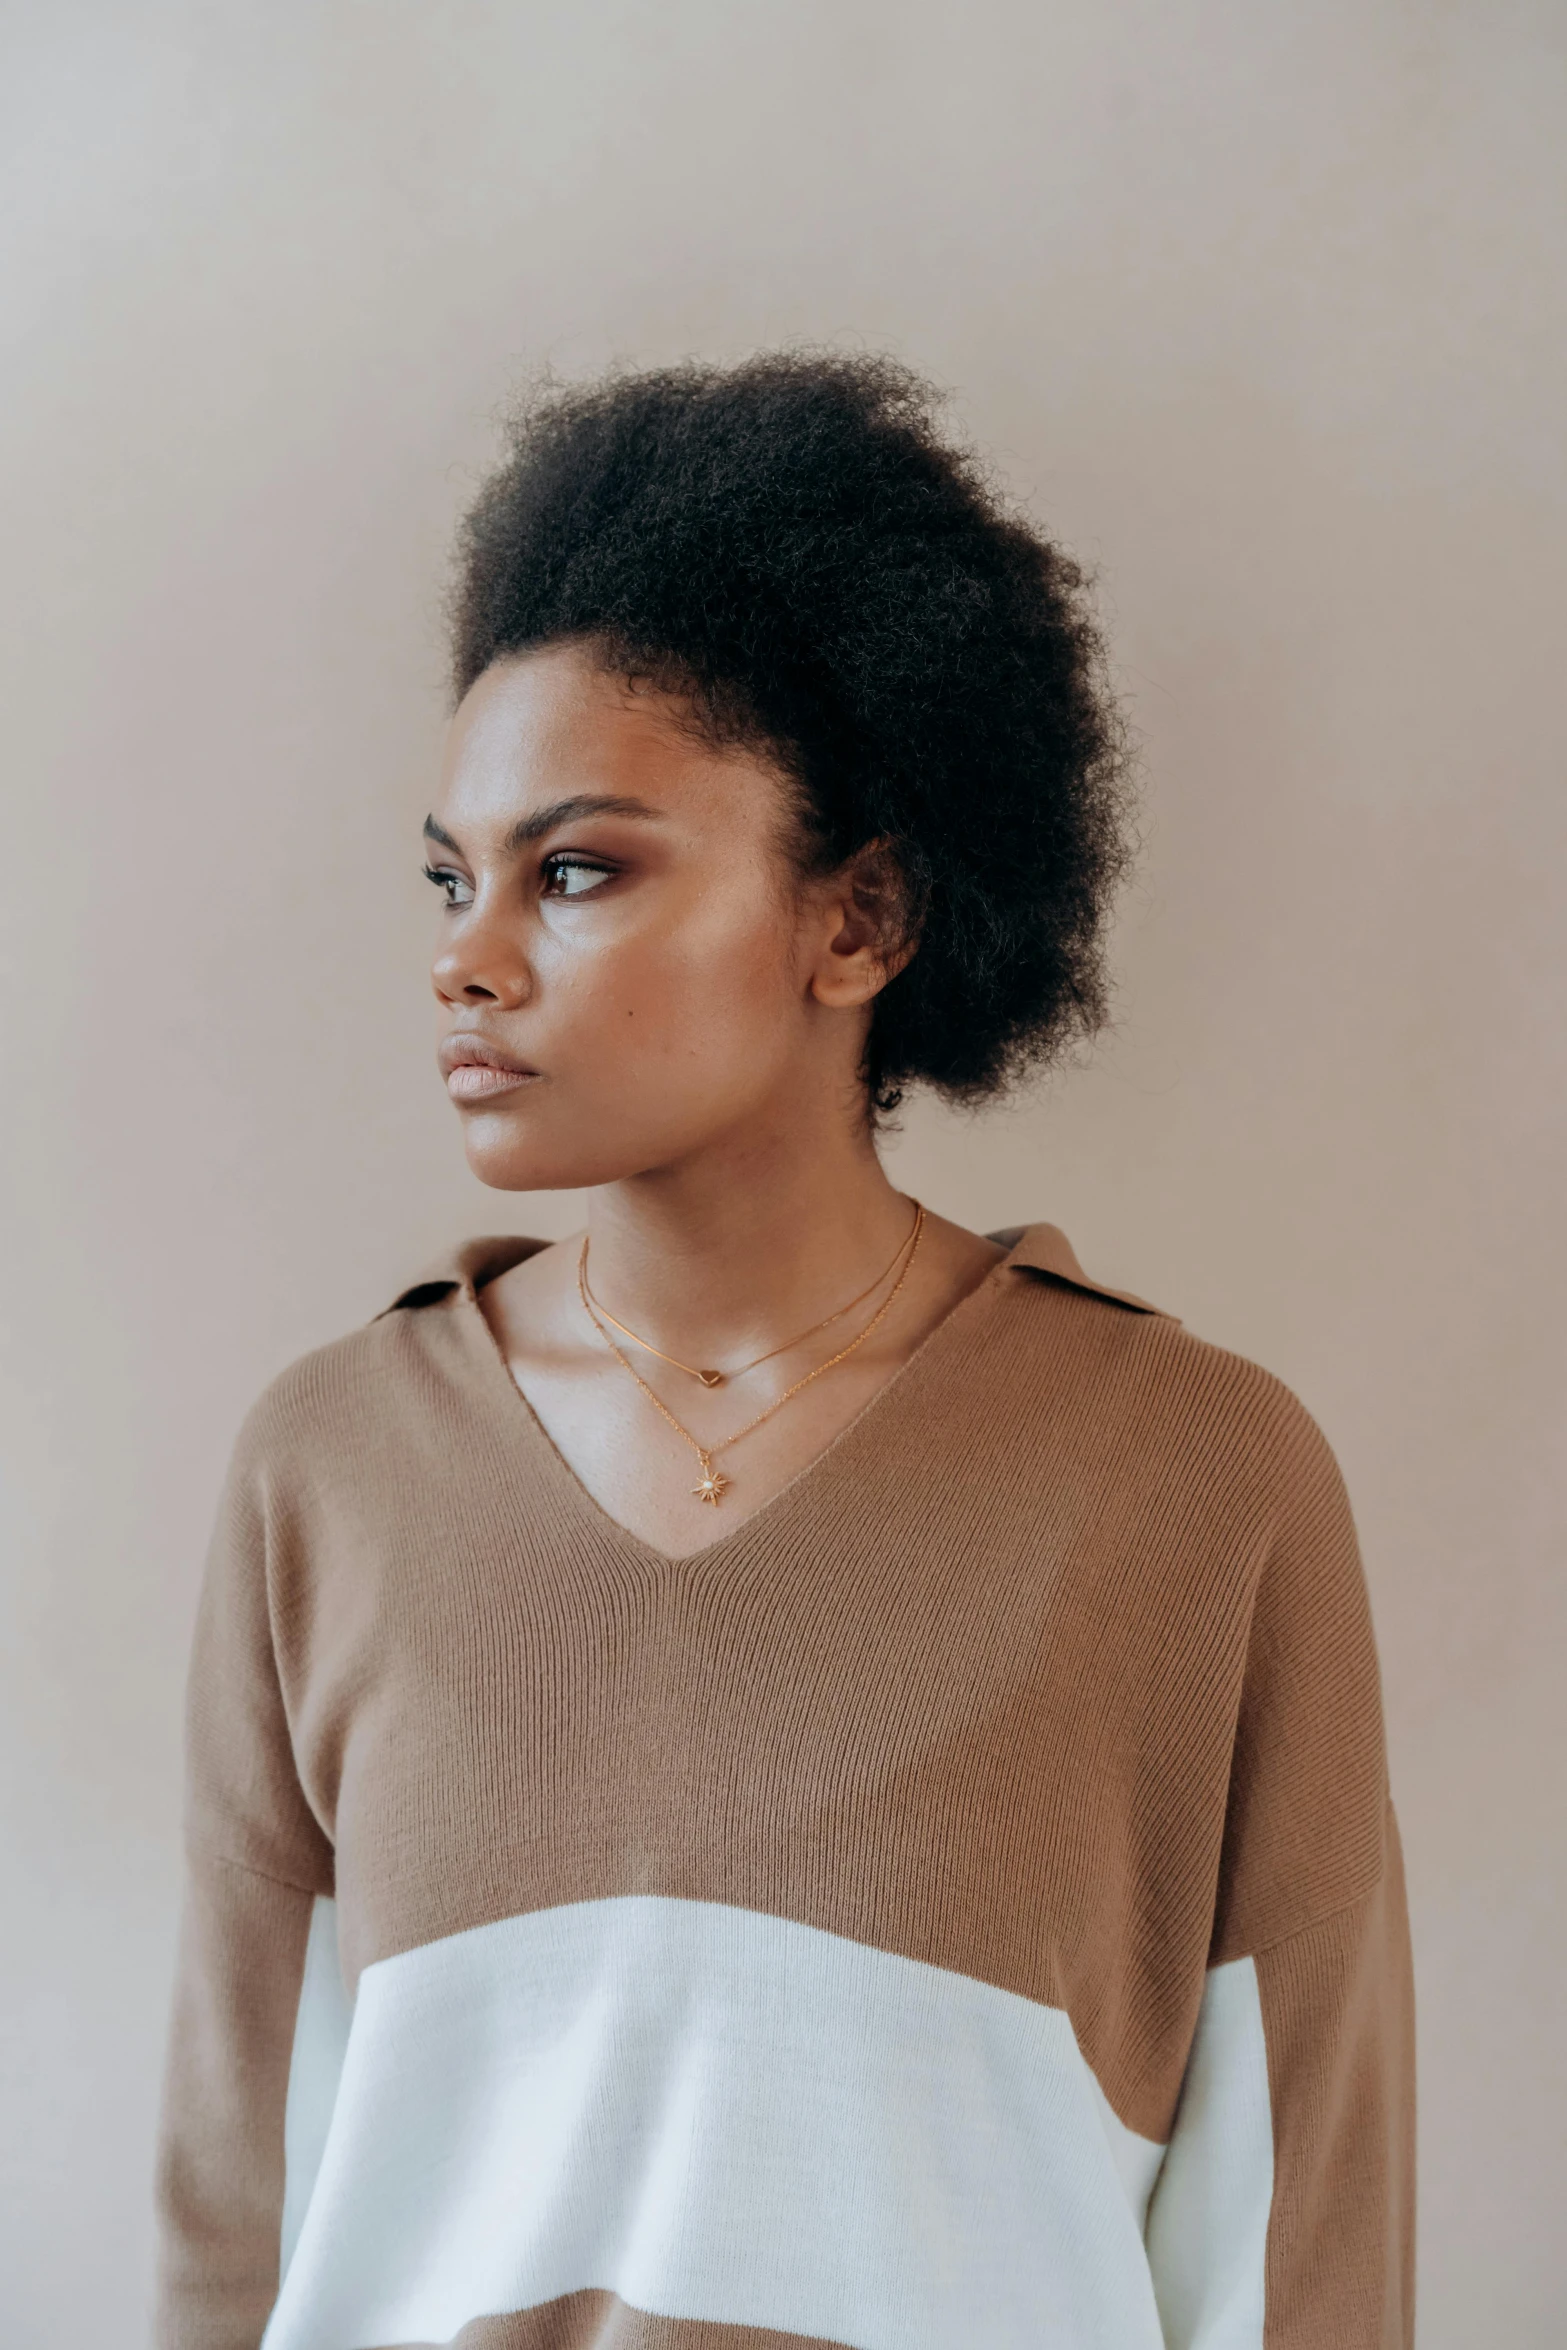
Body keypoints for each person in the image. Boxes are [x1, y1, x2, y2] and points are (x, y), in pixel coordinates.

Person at [153, 354, 1414, 2350]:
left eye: (576, 870)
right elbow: (236, 2212)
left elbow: (1294, 2240)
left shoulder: (1201, 1480)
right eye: (448, 876)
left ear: (865, 916)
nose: (465, 953)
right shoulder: (329, 1466)